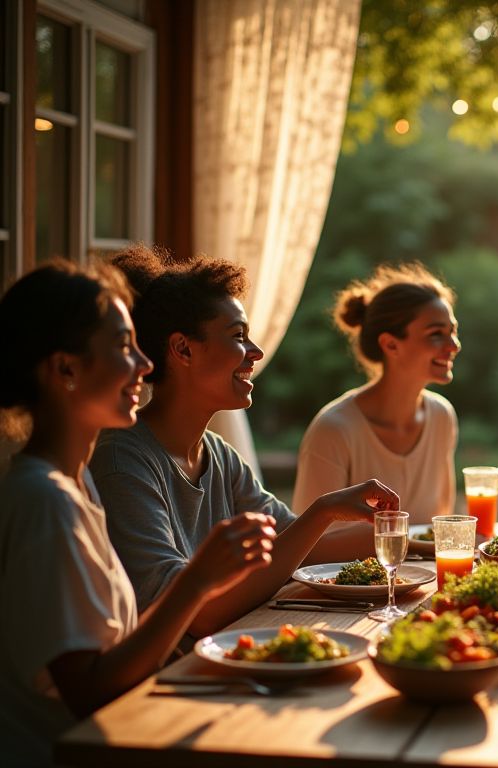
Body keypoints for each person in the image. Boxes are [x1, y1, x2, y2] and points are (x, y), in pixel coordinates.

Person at [0, 262, 278, 767]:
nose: (145, 366)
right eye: (123, 348)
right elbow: (89, 695)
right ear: (66, 369)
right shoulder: (46, 501)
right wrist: (197, 581)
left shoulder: (75, 482)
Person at [90, 246, 399, 639]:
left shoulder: (218, 455)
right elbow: (195, 614)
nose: (256, 352)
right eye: (238, 336)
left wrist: (430, 537)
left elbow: (296, 546)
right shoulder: (123, 462)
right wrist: (321, 512)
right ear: (183, 349)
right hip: (167, 683)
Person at [293, 262, 460, 525]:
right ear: (391, 344)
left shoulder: (442, 417)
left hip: (426, 568)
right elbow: (309, 544)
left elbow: (440, 522)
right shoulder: (333, 430)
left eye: (453, 332)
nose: (454, 346)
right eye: (436, 334)